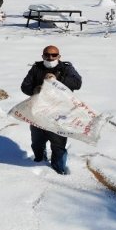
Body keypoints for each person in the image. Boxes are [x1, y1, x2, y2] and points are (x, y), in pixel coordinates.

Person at [20, 45, 82, 175]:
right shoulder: (36, 68)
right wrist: (35, 89)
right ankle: (39, 160)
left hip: (59, 114)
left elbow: (77, 83)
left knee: (58, 145)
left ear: (59, 56)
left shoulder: (66, 68)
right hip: (38, 112)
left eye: (54, 55)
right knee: (37, 142)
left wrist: (58, 80)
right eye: (47, 55)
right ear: (43, 56)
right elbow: (25, 86)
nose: (50, 57)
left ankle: (59, 169)